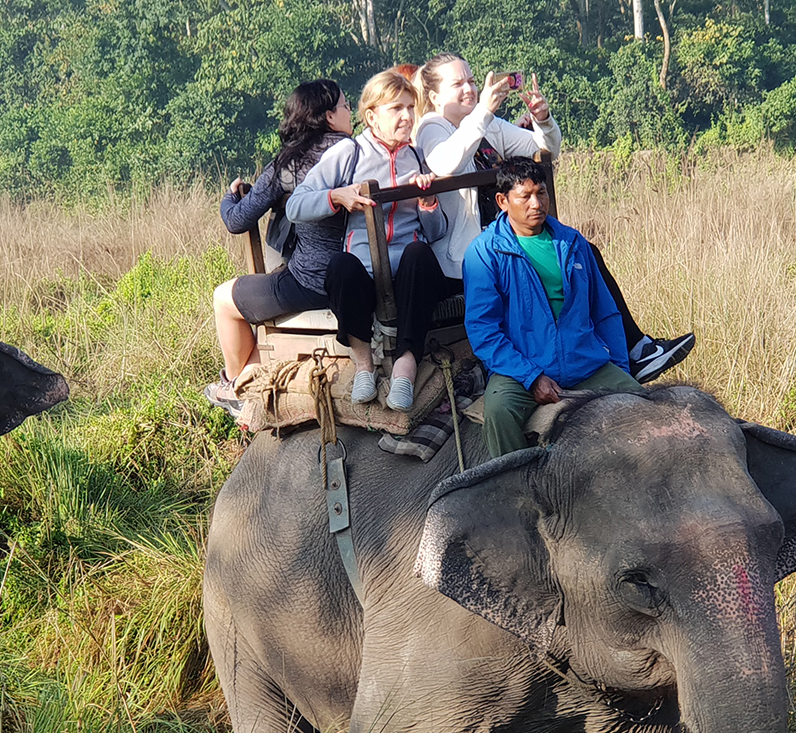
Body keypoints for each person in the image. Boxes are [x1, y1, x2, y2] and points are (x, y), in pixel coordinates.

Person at [413, 54, 694, 383]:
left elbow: (546, 148)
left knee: (583, 252)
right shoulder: (432, 127)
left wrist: (542, 120)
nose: (470, 89)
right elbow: (445, 162)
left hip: (510, 241)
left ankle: (631, 350)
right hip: (471, 259)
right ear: (434, 96)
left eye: (472, 81)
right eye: (458, 84)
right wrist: (484, 111)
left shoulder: (485, 125)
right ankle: (622, 353)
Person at [287, 69, 445, 412]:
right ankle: (363, 364)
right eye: (396, 109)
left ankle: (406, 365)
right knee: (340, 267)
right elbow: (295, 205)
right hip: (364, 266)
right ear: (371, 115)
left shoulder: (417, 157)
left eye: (410, 107)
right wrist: (336, 196)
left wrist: (428, 204)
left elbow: (436, 232)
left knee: (421, 254)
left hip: (406, 266)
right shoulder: (350, 153)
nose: (406, 116)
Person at [464, 158, 644, 458]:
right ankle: (516, 492)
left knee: (639, 401)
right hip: (520, 371)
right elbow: (483, 330)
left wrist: (621, 370)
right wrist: (531, 377)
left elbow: (605, 312)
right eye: (525, 196)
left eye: (542, 193)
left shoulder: (572, 241)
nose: (537, 203)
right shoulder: (484, 253)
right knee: (499, 413)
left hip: (583, 363)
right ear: (502, 201)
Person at [206, 80, 353, 413]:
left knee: (222, 299)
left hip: (313, 282)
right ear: (329, 116)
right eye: (345, 106)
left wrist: (231, 196)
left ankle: (234, 389)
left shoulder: (290, 163)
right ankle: (244, 381)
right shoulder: (360, 154)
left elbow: (237, 220)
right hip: (362, 275)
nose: (350, 112)